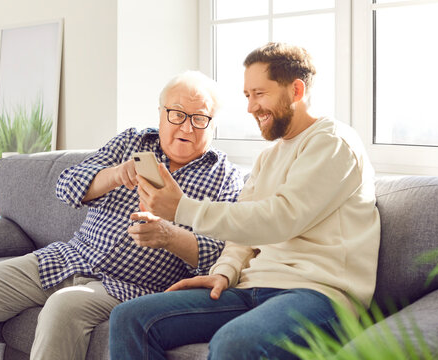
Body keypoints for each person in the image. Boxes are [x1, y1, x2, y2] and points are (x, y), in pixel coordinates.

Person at [0, 70, 244, 360]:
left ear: (213, 124)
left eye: (200, 118)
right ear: (160, 113)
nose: (187, 127)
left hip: (133, 287)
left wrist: (168, 236)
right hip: (68, 259)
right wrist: (115, 174)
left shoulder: (226, 178)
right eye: (177, 114)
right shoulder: (132, 142)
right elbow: (67, 186)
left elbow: (217, 255)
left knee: (62, 308)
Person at [109, 42, 381, 360]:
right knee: (130, 318)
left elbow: (280, 218)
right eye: (247, 96)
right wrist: (224, 272)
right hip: (252, 288)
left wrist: (182, 208)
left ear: (296, 90)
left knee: (234, 344)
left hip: (318, 295)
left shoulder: (333, 143)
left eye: (259, 93)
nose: (251, 107)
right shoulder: (268, 157)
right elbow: (245, 228)